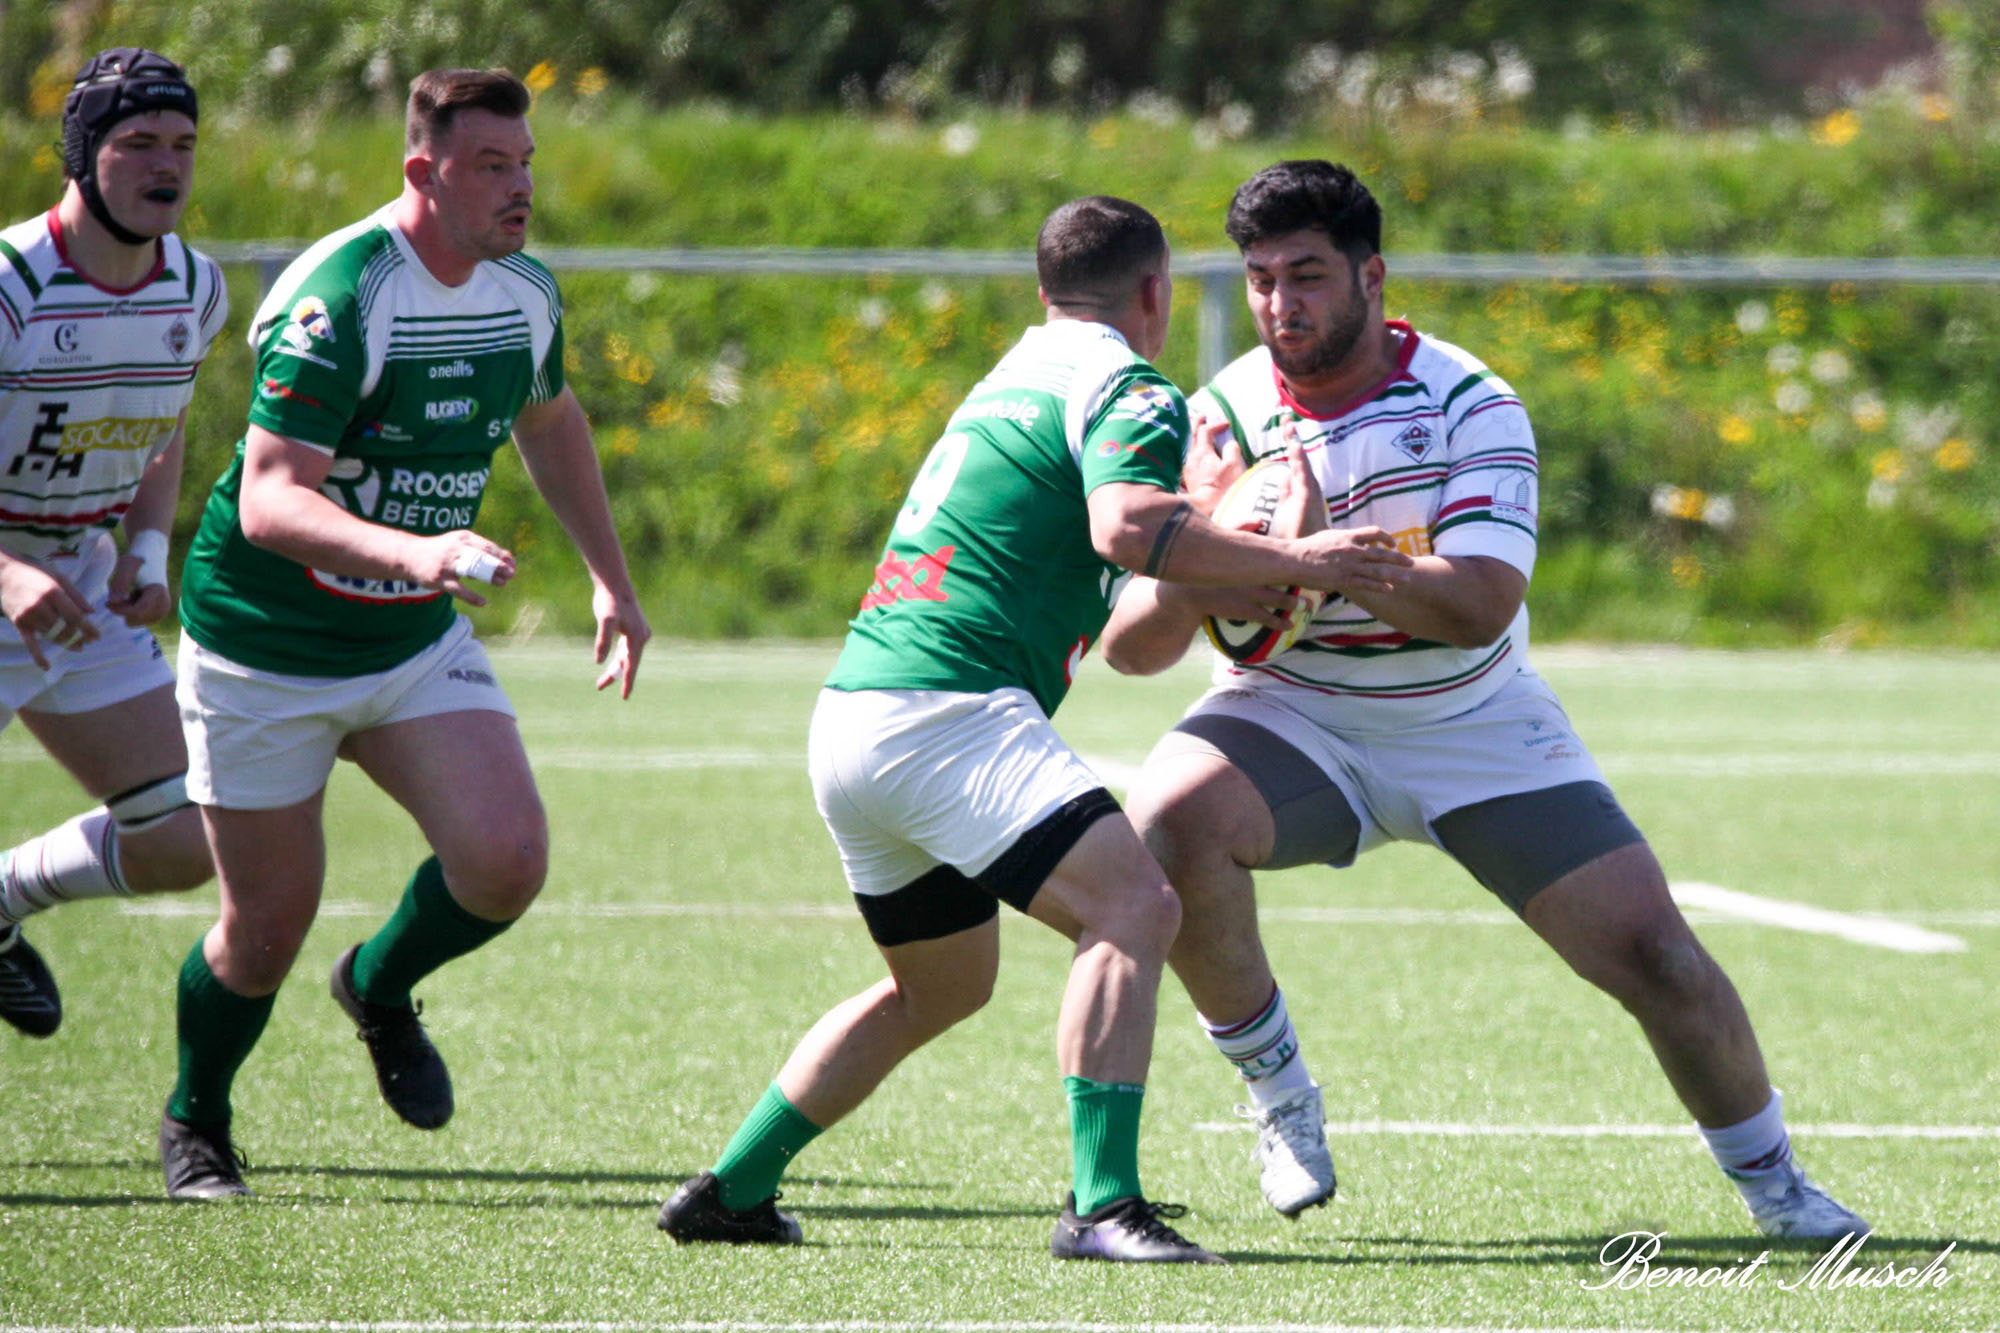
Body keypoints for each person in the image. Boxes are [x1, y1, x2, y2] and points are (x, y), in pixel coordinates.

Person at [1098, 160, 1866, 1240]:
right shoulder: (1217, 417)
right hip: (1290, 708)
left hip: (1470, 717)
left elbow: (1476, 605)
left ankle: (1776, 1186)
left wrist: (1320, 559)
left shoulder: (1470, 401)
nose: (1279, 304)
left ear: (1371, 277)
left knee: (1657, 955)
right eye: (1261, 279)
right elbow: (1132, 651)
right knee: (1167, 821)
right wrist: (1215, 552)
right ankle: (1279, 1096)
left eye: (1306, 275)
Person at [658, 195, 1412, 1263]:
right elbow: (1126, 525)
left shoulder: (1012, 373)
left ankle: (732, 1188)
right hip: (949, 710)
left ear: (1046, 290)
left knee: (939, 986)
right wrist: (1297, 559)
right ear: (1154, 292)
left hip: (856, 715)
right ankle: (1102, 1206)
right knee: (1135, 903)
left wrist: (1216, 537)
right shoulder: (1128, 384)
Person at [157, 67, 650, 1200]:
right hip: (264, 647)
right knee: (262, 929)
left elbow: (549, 419)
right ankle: (197, 1116)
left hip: (406, 641)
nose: (520, 188)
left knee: (506, 860)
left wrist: (610, 580)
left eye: (526, 163)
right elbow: (269, 502)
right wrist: (416, 553)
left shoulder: (522, 288)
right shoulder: (343, 294)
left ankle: (377, 984)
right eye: (492, 166)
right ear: (423, 171)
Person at [0, 48, 223, 1038]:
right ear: (83, 155)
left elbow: (162, 424)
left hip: (78, 584)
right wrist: (6, 575)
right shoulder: (13, 283)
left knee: (186, 835)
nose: (165, 164)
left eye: (182, 143)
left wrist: (147, 548)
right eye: (137, 143)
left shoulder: (195, 288)